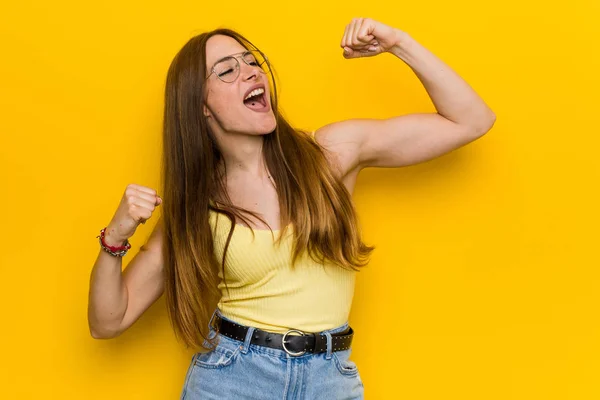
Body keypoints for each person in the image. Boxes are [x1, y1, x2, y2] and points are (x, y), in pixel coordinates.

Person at [87, 17, 495, 399]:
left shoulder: (329, 154)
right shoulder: (195, 204)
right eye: (227, 70)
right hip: (233, 378)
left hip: (329, 379)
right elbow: (108, 321)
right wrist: (116, 237)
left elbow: (471, 121)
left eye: (252, 61)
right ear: (201, 107)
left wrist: (399, 44)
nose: (250, 71)